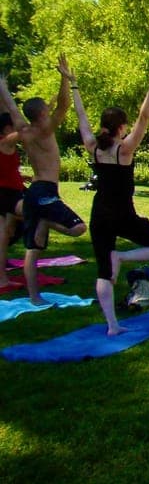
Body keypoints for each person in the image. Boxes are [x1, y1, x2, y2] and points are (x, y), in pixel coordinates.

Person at [69, 64, 149, 335]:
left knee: (104, 271)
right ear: (121, 127)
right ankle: (122, 257)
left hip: (100, 214)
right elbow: (145, 117)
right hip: (123, 216)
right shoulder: (125, 149)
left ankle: (112, 326)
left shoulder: (93, 147)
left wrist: (74, 85)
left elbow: (81, 118)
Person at [0, 54, 86, 305]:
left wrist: (2, 87)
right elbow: (64, 105)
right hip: (45, 191)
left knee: (33, 248)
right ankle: (46, 220)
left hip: (33, 191)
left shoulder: (24, 129)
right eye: (47, 110)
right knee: (78, 228)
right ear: (42, 114)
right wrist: (65, 79)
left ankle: (35, 297)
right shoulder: (45, 130)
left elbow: (12, 107)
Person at [0, 112, 24, 288]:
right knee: (3, 234)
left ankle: (2, 277)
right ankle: (2, 279)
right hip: (6, 194)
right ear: (8, 128)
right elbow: (25, 131)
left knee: (5, 233)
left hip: (11, 192)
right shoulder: (5, 142)